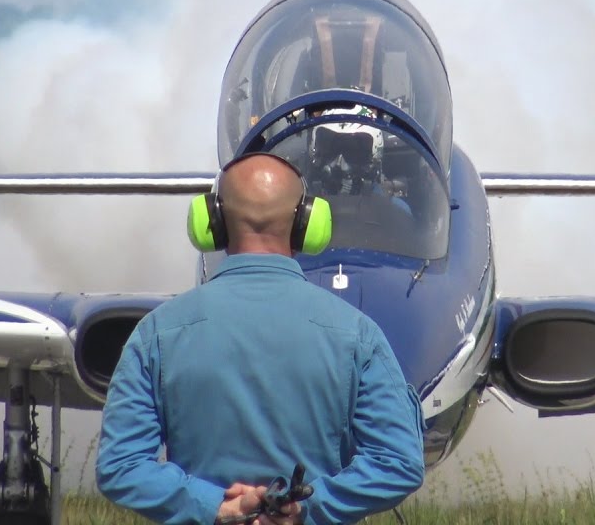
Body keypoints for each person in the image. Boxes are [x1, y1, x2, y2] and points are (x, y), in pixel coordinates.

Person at [96, 152, 426, 524]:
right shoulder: (358, 335)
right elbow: (399, 463)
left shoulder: (157, 333)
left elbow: (120, 466)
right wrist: (305, 508)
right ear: (306, 224)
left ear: (212, 221)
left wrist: (217, 507)